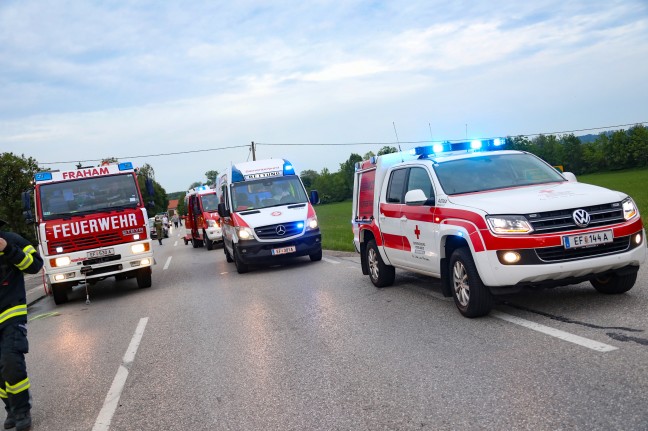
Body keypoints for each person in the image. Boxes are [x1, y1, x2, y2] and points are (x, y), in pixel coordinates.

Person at [0, 219, 43, 431]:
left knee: (11, 363)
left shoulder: (11, 240)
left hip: (10, 313)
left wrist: (8, 250)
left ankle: (22, 410)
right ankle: (11, 408)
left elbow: (36, 265)